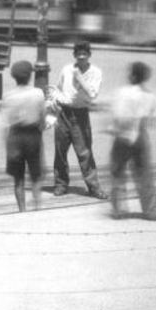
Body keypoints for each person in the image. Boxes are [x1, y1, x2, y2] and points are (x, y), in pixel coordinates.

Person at [49, 40, 108, 199]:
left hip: (80, 114)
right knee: (60, 151)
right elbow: (57, 89)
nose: (81, 57)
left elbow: (93, 94)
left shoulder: (95, 72)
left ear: (89, 55)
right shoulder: (66, 69)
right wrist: (56, 100)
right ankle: (61, 184)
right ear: (74, 55)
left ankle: (94, 187)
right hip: (63, 113)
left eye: (84, 54)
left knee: (85, 153)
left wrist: (79, 76)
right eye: (78, 54)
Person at [108, 61, 156, 221]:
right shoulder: (151, 96)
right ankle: (151, 211)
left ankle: (119, 210)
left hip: (123, 135)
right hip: (140, 135)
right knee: (144, 174)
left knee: (118, 173)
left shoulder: (122, 92)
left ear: (131, 75)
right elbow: (154, 116)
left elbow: (118, 114)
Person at [2, 60, 46, 212]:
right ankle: (37, 207)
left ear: (14, 77)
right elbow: (43, 120)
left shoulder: (8, 96)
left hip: (15, 136)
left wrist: (7, 146)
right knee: (35, 175)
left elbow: (5, 124)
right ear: (30, 76)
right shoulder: (38, 93)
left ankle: (22, 210)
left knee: (18, 178)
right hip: (32, 135)